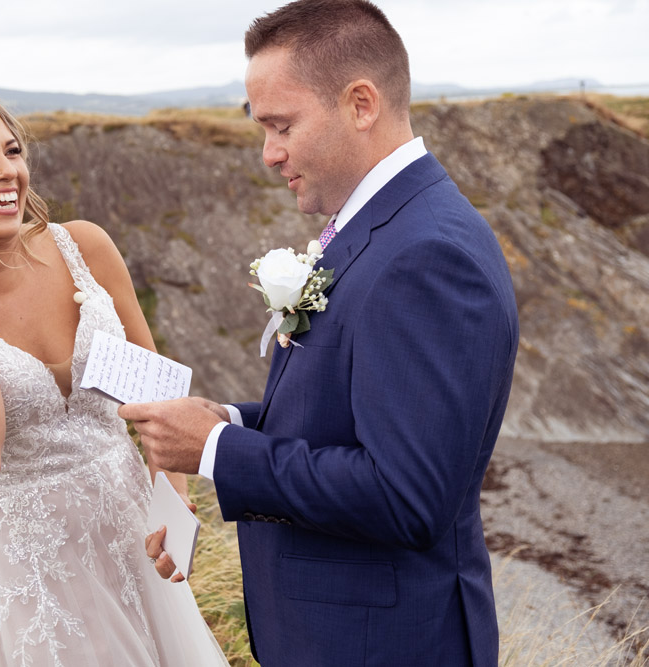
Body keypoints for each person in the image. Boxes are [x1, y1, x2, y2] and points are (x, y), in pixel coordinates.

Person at [120, 1, 520, 665]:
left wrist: (218, 450)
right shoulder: (387, 225)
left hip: (384, 646)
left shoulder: (428, 255)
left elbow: (405, 496)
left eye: (282, 125)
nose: (269, 154)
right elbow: (353, 414)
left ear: (360, 104)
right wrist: (232, 420)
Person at [0, 77, 229, 667]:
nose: (5, 170)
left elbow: (155, 394)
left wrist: (171, 505)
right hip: (22, 573)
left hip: (131, 538)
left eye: (12, 150)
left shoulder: (85, 247)